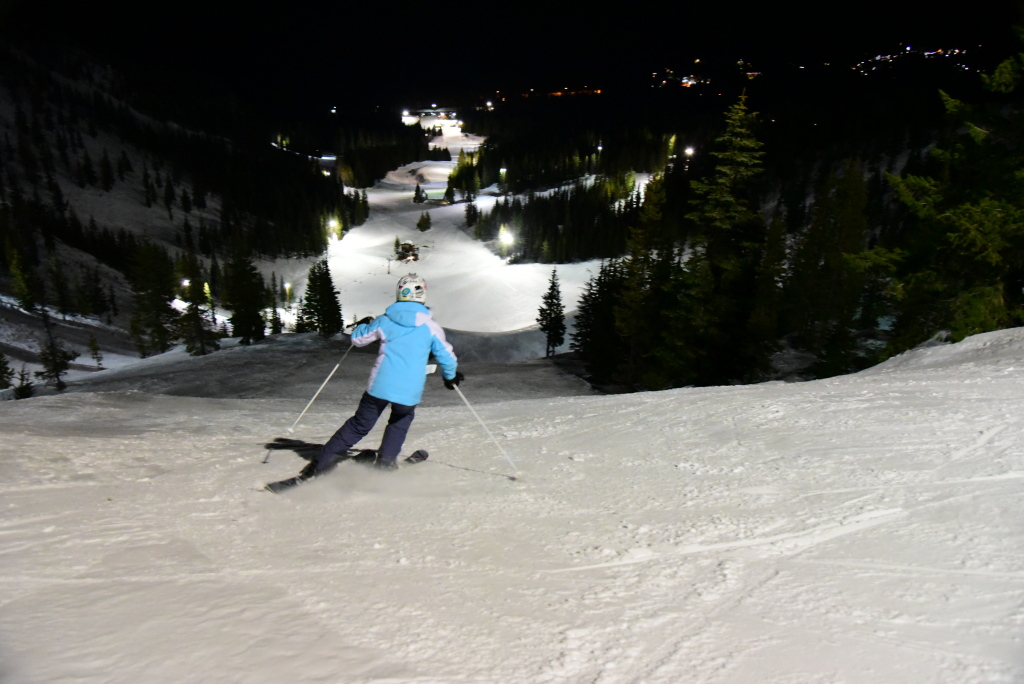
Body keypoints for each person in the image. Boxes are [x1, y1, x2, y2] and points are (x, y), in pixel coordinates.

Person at [299, 273, 462, 480]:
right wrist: (450, 376)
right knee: (400, 420)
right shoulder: (431, 327)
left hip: (380, 386)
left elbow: (358, 340)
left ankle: (323, 463)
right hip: (408, 390)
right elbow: (446, 356)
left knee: (360, 424)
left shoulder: (385, 321)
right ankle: (386, 462)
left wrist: (363, 326)